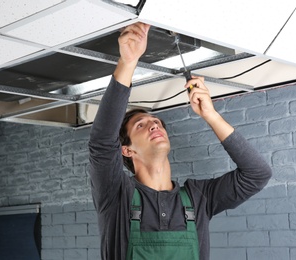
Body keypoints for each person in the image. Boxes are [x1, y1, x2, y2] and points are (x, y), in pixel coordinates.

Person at [88, 22, 272, 260]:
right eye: (141, 125)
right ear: (126, 150)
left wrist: (211, 115)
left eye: (156, 122)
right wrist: (128, 62)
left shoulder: (198, 198)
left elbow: (257, 174)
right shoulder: (116, 195)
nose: (154, 124)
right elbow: (102, 142)